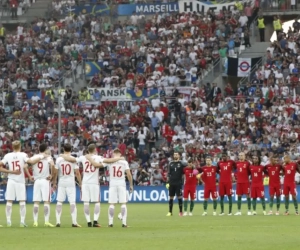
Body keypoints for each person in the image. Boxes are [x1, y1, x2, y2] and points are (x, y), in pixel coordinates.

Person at [76, 144, 125, 227]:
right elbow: (108, 161)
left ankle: (88, 222)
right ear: (95, 150)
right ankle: (95, 221)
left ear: (88, 150)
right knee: (97, 202)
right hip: (94, 183)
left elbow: (73, 159)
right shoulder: (98, 157)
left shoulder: (83, 157)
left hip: (85, 182)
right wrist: (120, 158)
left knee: (86, 203)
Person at [0, 141, 44, 227]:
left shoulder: (7, 156)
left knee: (9, 201)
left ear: (12, 146)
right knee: (22, 201)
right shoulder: (23, 155)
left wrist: (11, 171)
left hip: (11, 180)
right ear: (20, 146)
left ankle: (9, 221)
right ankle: (22, 221)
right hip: (20, 181)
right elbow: (30, 162)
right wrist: (41, 157)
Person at [86, 148, 133, 228]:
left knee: (112, 204)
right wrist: (131, 185)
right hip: (121, 183)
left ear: (113, 154)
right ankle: (124, 223)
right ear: (120, 154)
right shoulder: (124, 162)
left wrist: (90, 159)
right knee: (123, 203)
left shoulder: (109, 161)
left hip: (112, 184)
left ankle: (110, 223)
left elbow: (98, 165)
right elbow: (128, 174)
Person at [52, 143, 82, 227]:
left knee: (59, 202)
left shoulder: (59, 159)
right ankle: (74, 222)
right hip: (71, 182)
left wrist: (54, 182)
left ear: (63, 149)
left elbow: (55, 172)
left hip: (61, 182)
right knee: (72, 202)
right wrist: (80, 183)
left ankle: (58, 222)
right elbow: (77, 173)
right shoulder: (73, 159)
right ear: (71, 149)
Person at [31, 144, 55, 227]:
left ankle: (35, 222)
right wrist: (51, 175)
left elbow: (26, 165)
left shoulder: (34, 157)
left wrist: (31, 174)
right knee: (46, 201)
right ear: (45, 149)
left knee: (36, 202)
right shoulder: (48, 157)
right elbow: (52, 165)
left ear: (38, 149)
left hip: (37, 180)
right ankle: (46, 222)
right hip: (45, 180)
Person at [166, 152, 186, 217]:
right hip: (171, 183)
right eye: (174, 154)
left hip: (178, 183)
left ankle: (180, 212)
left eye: (177, 154)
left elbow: (187, 166)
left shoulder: (181, 163)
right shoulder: (170, 163)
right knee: (171, 197)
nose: (175, 155)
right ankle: (170, 212)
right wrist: (167, 182)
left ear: (179, 155)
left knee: (179, 197)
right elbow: (169, 173)